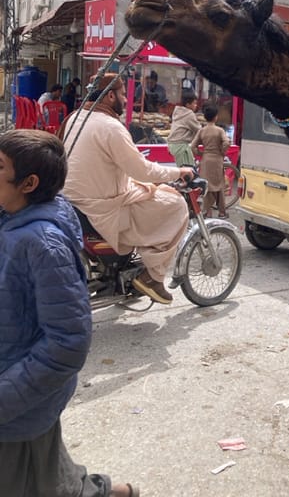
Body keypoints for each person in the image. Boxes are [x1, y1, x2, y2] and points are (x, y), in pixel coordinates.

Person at [0, 129, 138, 497]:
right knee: (50, 475)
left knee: (44, 481)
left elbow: (67, 343)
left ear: (28, 183)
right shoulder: (10, 217)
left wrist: (5, 398)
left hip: (15, 404)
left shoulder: (43, 245)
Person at [60, 73, 194, 305]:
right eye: (123, 94)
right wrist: (178, 172)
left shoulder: (75, 117)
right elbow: (143, 171)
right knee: (176, 204)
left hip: (71, 199)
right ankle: (152, 277)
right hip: (101, 207)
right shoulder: (111, 127)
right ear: (110, 96)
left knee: (149, 192)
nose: (125, 99)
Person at [192, 104, 230, 217]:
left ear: (205, 117)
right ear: (216, 117)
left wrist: (201, 153)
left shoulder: (202, 131)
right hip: (217, 160)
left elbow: (193, 146)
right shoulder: (219, 130)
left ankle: (207, 211)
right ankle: (222, 212)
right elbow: (226, 142)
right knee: (219, 185)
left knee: (206, 186)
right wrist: (222, 152)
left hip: (206, 160)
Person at [167, 91, 201, 166]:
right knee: (187, 170)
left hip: (172, 144)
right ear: (188, 104)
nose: (196, 105)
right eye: (194, 103)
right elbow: (199, 129)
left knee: (183, 168)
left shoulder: (177, 111)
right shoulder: (189, 114)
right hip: (181, 146)